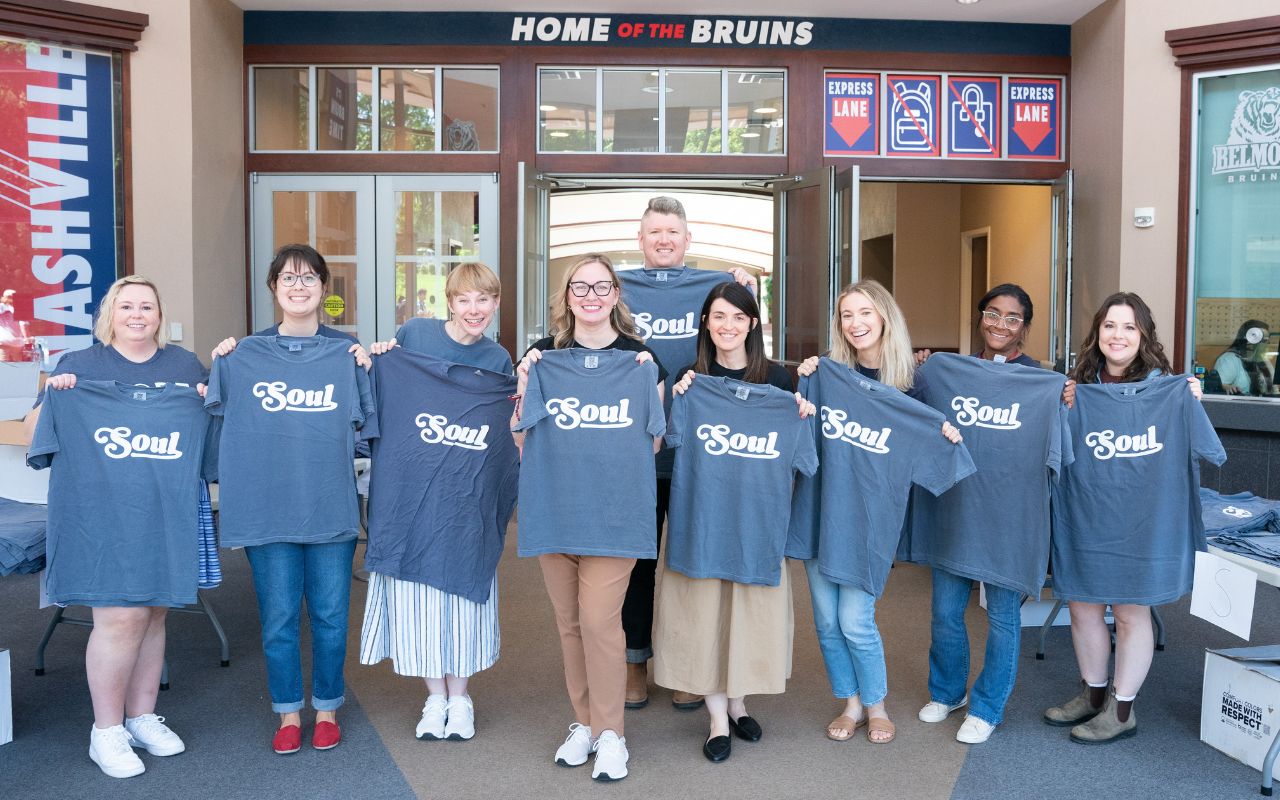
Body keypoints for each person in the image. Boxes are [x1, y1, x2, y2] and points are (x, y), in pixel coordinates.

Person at [22, 276, 209, 778]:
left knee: (153, 613)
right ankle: (105, 730)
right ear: (110, 313)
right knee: (119, 619)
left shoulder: (184, 365)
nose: (136, 314)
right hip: (100, 517)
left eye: (146, 306)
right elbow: (32, 434)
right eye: (126, 305)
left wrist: (208, 397)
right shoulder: (79, 367)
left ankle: (142, 716)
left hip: (164, 514)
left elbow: (214, 423)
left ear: (159, 314)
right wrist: (54, 394)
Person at [209, 243, 370, 755]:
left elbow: (370, 428)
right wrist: (220, 363)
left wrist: (371, 359)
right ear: (274, 288)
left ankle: (326, 708)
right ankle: (286, 713)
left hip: (329, 508)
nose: (298, 286)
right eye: (288, 278)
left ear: (324, 288)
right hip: (266, 510)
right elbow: (212, 417)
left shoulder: (347, 356)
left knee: (330, 616)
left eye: (309, 278)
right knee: (277, 620)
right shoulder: (240, 357)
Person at [513, 253, 665, 782]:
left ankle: (613, 734)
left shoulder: (642, 362)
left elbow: (653, 441)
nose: (592, 296)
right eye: (582, 287)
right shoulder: (541, 357)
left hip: (614, 514)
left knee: (601, 623)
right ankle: (583, 724)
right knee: (570, 625)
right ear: (567, 295)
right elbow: (520, 438)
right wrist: (525, 382)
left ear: (616, 295)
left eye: (602, 287)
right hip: (554, 507)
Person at [793, 280, 962, 745]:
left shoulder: (911, 381)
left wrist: (944, 436)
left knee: (855, 620)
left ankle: (876, 704)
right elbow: (799, 428)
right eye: (847, 315)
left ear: (884, 316)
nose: (856, 324)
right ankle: (849, 702)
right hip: (819, 509)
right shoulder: (824, 373)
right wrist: (805, 382)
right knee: (826, 620)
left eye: (864, 313)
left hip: (869, 518)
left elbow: (931, 438)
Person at [657, 281, 815, 762]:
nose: (728, 326)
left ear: (752, 324)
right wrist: (679, 397)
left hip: (755, 525)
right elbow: (666, 440)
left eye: (738, 317)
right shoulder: (690, 378)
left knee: (748, 619)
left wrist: (803, 412)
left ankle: (740, 702)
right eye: (719, 316)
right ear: (705, 321)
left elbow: (803, 458)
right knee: (703, 617)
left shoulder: (779, 383)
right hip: (702, 521)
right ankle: (717, 719)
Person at [1046, 292, 1207, 744]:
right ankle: (1093, 694)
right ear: (1097, 333)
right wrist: (1063, 404)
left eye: (1129, 327)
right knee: (1082, 606)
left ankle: (1121, 711)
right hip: (1086, 514)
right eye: (1110, 326)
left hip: (1143, 521)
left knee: (1132, 612)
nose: (1118, 335)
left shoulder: (1166, 389)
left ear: (1144, 336)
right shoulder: (1078, 385)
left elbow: (1198, 445)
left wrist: (1193, 398)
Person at [361, 262, 513, 742]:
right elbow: (382, 385)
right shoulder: (413, 337)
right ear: (449, 302)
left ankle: (461, 698)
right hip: (411, 495)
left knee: (465, 593)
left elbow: (506, 429)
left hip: (467, 498)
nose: (474, 309)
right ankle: (434, 698)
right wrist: (381, 356)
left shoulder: (499, 360)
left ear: (495, 304)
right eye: (465, 299)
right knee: (418, 601)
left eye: (484, 299)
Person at [616, 195, 755, 711]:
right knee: (637, 564)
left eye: (673, 231)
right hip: (637, 451)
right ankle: (635, 664)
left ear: (688, 239)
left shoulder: (714, 290)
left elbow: (745, 330)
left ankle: (688, 668)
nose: (664, 239)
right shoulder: (617, 288)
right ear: (641, 239)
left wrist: (747, 287)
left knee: (692, 565)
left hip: (702, 453)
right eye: (655, 231)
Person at [913, 283, 1065, 745]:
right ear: (980, 316)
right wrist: (921, 369)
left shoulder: (1042, 382)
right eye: (992, 313)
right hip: (956, 507)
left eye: (1012, 317)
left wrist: (1068, 394)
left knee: (1003, 616)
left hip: (1011, 518)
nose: (1001, 324)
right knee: (945, 611)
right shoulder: (949, 371)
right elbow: (906, 403)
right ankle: (947, 692)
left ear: (1025, 326)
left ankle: (988, 707)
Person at [1212, 319, 1273, 396]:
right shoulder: (1229, 360)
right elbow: (1217, 387)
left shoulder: (1264, 361)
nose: (1267, 345)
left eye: (1267, 341)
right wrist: (1228, 388)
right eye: (1263, 341)